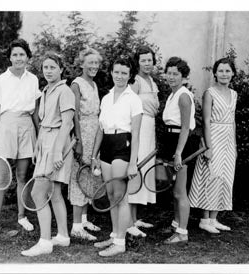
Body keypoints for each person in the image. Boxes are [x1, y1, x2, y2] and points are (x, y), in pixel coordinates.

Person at [0, 39, 41, 236]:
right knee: (1, 177)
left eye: (22, 54)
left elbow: (35, 113)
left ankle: (21, 216)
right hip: (6, 128)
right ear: (9, 57)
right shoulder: (0, 80)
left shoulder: (33, 79)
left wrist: (39, 135)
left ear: (27, 57)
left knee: (23, 176)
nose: (18, 58)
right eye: (15, 54)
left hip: (26, 128)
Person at [21, 52, 75, 256]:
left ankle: (45, 242)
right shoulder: (46, 90)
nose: (49, 71)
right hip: (45, 142)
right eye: (45, 67)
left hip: (57, 145)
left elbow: (67, 123)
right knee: (54, 193)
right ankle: (62, 236)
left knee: (38, 193)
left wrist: (57, 151)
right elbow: (44, 124)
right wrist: (37, 147)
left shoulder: (65, 91)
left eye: (53, 67)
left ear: (61, 69)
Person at [91, 56, 143, 257]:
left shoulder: (134, 99)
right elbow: (100, 129)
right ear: (111, 72)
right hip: (106, 146)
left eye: (124, 73)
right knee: (111, 195)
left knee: (121, 197)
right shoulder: (106, 97)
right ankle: (115, 236)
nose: (119, 76)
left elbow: (136, 134)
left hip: (123, 145)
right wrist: (95, 155)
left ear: (130, 76)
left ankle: (120, 243)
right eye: (116, 72)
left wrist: (132, 163)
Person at [189, 57, 237, 234]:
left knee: (225, 177)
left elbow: (233, 122)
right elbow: (206, 122)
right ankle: (204, 219)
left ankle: (214, 219)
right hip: (213, 137)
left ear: (232, 73)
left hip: (228, 140)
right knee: (212, 176)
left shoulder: (234, 94)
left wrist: (235, 147)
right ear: (215, 73)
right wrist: (208, 146)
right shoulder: (210, 93)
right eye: (221, 70)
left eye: (227, 71)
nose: (224, 74)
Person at [68, 48, 103, 241]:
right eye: (90, 63)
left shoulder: (94, 84)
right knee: (78, 175)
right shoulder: (76, 84)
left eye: (96, 63)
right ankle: (76, 227)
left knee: (90, 175)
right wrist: (79, 141)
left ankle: (84, 218)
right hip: (83, 134)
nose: (93, 66)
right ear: (82, 64)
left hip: (95, 134)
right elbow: (74, 115)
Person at [161, 57, 196, 243]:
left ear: (184, 77)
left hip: (180, 145)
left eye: (176, 74)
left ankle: (182, 233)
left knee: (180, 191)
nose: (171, 77)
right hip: (171, 142)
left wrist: (179, 153)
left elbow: (185, 127)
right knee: (173, 189)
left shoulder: (183, 95)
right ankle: (176, 225)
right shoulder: (172, 94)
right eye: (169, 73)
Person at [127, 46, 159, 237]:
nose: (147, 63)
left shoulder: (152, 81)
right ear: (137, 62)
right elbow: (130, 108)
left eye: (150, 60)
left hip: (150, 128)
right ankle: (129, 222)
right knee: (136, 169)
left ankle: (135, 218)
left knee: (145, 169)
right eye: (143, 60)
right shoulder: (136, 81)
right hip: (139, 128)